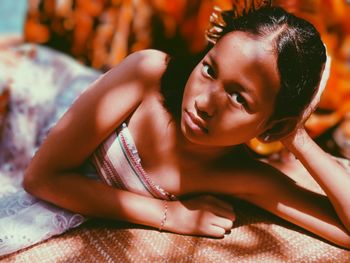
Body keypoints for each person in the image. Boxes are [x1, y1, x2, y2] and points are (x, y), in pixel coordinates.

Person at [1, 6, 350, 256]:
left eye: (239, 97)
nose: (204, 102)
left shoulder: (242, 176)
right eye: (210, 69)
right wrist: (170, 216)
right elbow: (42, 178)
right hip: (31, 92)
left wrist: (297, 138)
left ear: (272, 125)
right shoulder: (146, 73)